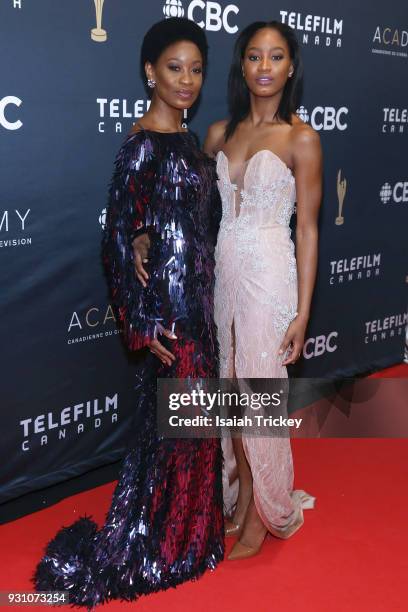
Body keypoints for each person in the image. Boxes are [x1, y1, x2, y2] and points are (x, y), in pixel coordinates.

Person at [32, 18, 224, 607]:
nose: (186, 80)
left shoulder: (188, 142)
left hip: (198, 300)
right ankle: (164, 545)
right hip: (172, 311)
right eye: (174, 68)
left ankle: (191, 539)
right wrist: (141, 322)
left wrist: (153, 241)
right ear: (149, 72)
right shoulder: (141, 144)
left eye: (195, 69)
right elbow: (116, 239)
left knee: (192, 428)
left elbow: (180, 226)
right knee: (178, 430)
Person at [203, 20, 321, 560]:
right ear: (242, 65)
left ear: (290, 66)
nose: (266, 66)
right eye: (255, 56)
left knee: (259, 396)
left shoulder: (301, 137)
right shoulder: (218, 134)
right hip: (224, 274)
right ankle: (239, 496)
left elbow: (309, 230)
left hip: (271, 275)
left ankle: (261, 513)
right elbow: (198, 214)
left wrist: (302, 312)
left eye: (276, 57)